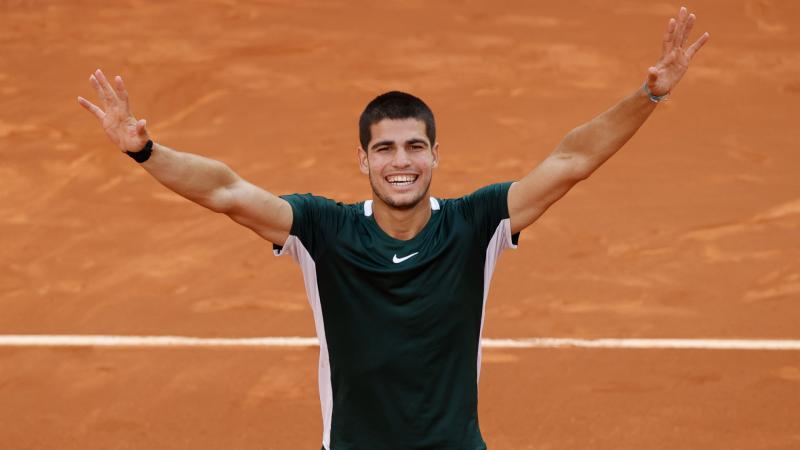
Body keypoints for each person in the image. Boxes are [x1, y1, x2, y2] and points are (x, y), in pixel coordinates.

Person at [77, 7, 708, 450]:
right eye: (384, 149)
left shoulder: (476, 223)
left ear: (436, 155)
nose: (400, 162)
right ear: (363, 159)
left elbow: (571, 161)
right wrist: (146, 151)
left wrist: (647, 96)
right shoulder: (319, 230)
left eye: (413, 147)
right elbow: (225, 191)